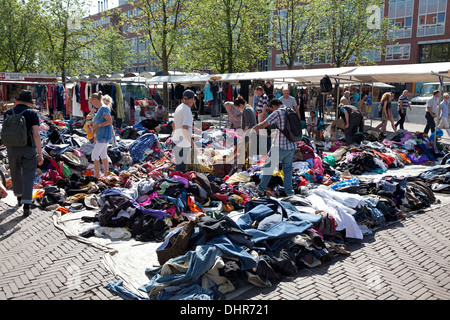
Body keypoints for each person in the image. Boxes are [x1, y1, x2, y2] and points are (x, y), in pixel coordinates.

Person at [3, 90, 43, 216]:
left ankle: (19, 198)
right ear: (29, 102)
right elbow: (36, 134)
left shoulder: (8, 113)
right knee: (28, 175)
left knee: (15, 172)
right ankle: (27, 205)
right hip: (28, 147)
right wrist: (40, 153)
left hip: (11, 148)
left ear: (18, 100)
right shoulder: (32, 113)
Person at [252, 99, 296, 197]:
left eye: (271, 108)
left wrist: (253, 129)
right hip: (292, 146)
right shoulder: (291, 110)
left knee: (268, 168)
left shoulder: (278, 112)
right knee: (287, 169)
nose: (271, 110)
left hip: (280, 146)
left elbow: (264, 124)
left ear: (274, 106)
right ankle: (289, 192)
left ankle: (261, 189)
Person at [87, 92, 113, 179]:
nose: (91, 103)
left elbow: (109, 121)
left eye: (91, 101)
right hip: (102, 135)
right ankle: (106, 175)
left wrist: (98, 125)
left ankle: (97, 177)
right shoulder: (100, 109)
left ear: (95, 100)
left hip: (104, 135)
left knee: (94, 155)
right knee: (103, 155)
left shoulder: (103, 108)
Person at [172, 89, 197, 172]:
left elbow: (173, 124)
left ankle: (177, 182)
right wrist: (193, 145)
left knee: (179, 168)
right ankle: (178, 183)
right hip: (182, 143)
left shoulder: (179, 107)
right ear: (192, 99)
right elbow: (184, 129)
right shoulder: (187, 110)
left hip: (176, 141)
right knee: (181, 170)